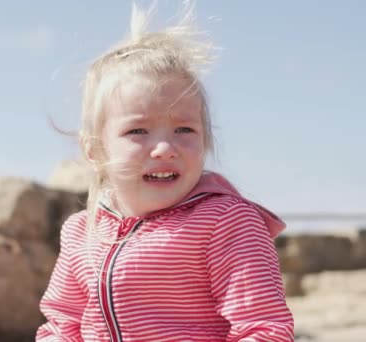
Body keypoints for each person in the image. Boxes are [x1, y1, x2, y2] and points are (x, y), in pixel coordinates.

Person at [36, 2, 294, 341]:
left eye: (184, 130)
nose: (165, 148)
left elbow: (264, 329)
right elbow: (61, 326)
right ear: (96, 150)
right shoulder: (82, 232)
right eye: (138, 131)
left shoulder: (225, 222)